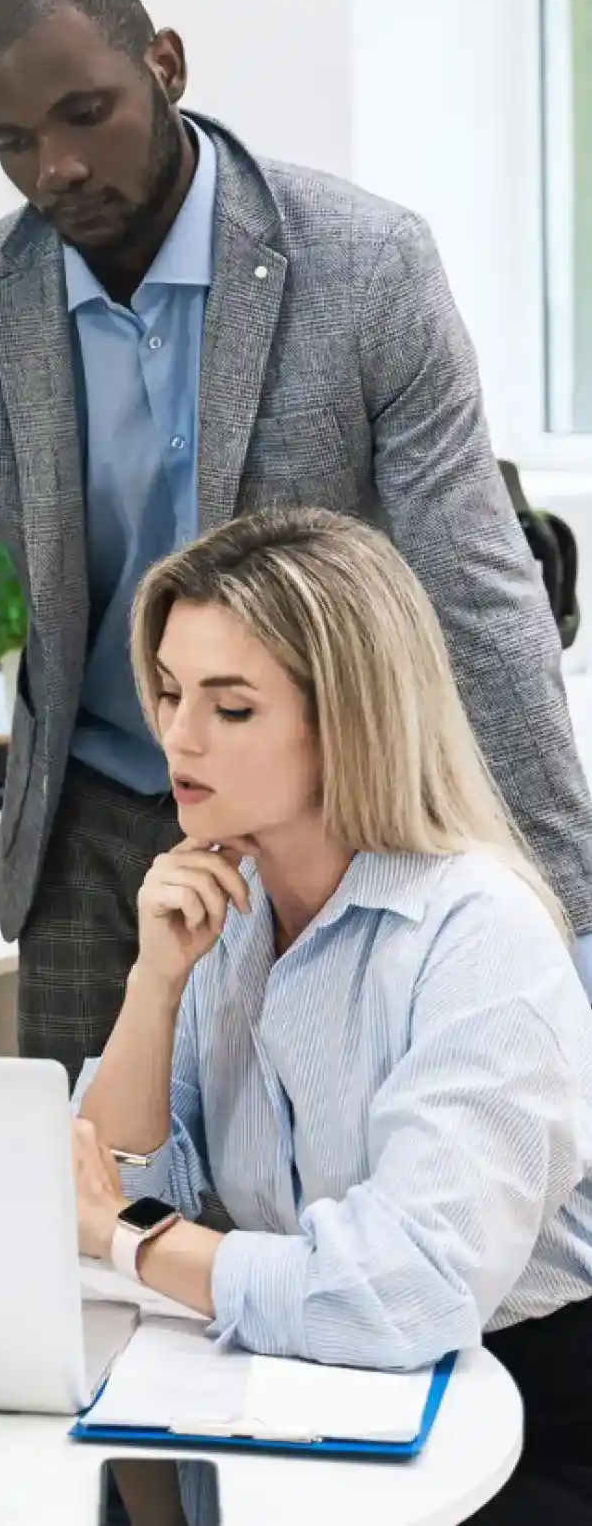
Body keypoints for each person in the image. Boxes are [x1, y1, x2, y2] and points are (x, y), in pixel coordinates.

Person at [0, 0, 592, 1082]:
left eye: (87, 114)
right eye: (15, 141)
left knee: (314, 1193)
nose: (59, 168)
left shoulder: (366, 266)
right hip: (95, 821)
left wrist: (567, 901)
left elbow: (476, 592)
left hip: (335, 810)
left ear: (166, 66)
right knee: (85, 1204)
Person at [73, 508, 592, 1523]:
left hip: (519, 1419)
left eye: (230, 709)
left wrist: (127, 1238)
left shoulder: (477, 932)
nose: (173, 737)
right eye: (171, 693)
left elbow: (404, 1293)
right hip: (301, 1393)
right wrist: (154, 986)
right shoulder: (225, 903)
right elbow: (118, 1177)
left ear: (346, 720)